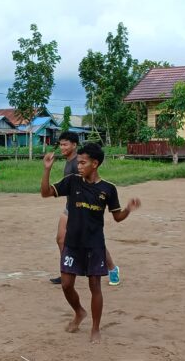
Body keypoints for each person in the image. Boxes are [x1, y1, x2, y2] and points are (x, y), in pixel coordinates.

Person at [41, 142, 140, 343]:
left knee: (95, 286)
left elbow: (117, 217)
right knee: (67, 285)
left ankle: (95, 328)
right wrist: (47, 170)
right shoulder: (72, 182)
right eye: (78, 162)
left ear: (94, 164)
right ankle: (79, 312)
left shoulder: (108, 189)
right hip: (72, 244)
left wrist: (128, 209)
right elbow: (45, 192)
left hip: (94, 245)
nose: (79, 166)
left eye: (83, 163)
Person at [49, 132, 120, 286]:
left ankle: (112, 268)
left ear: (74, 145)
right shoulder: (69, 161)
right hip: (70, 206)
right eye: (60, 144)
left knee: (93, 243)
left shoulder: (77, 162)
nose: (62, 147)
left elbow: (89, 183)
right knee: (61, 239)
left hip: (81, 208)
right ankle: (67, 269)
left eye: (65, 144)